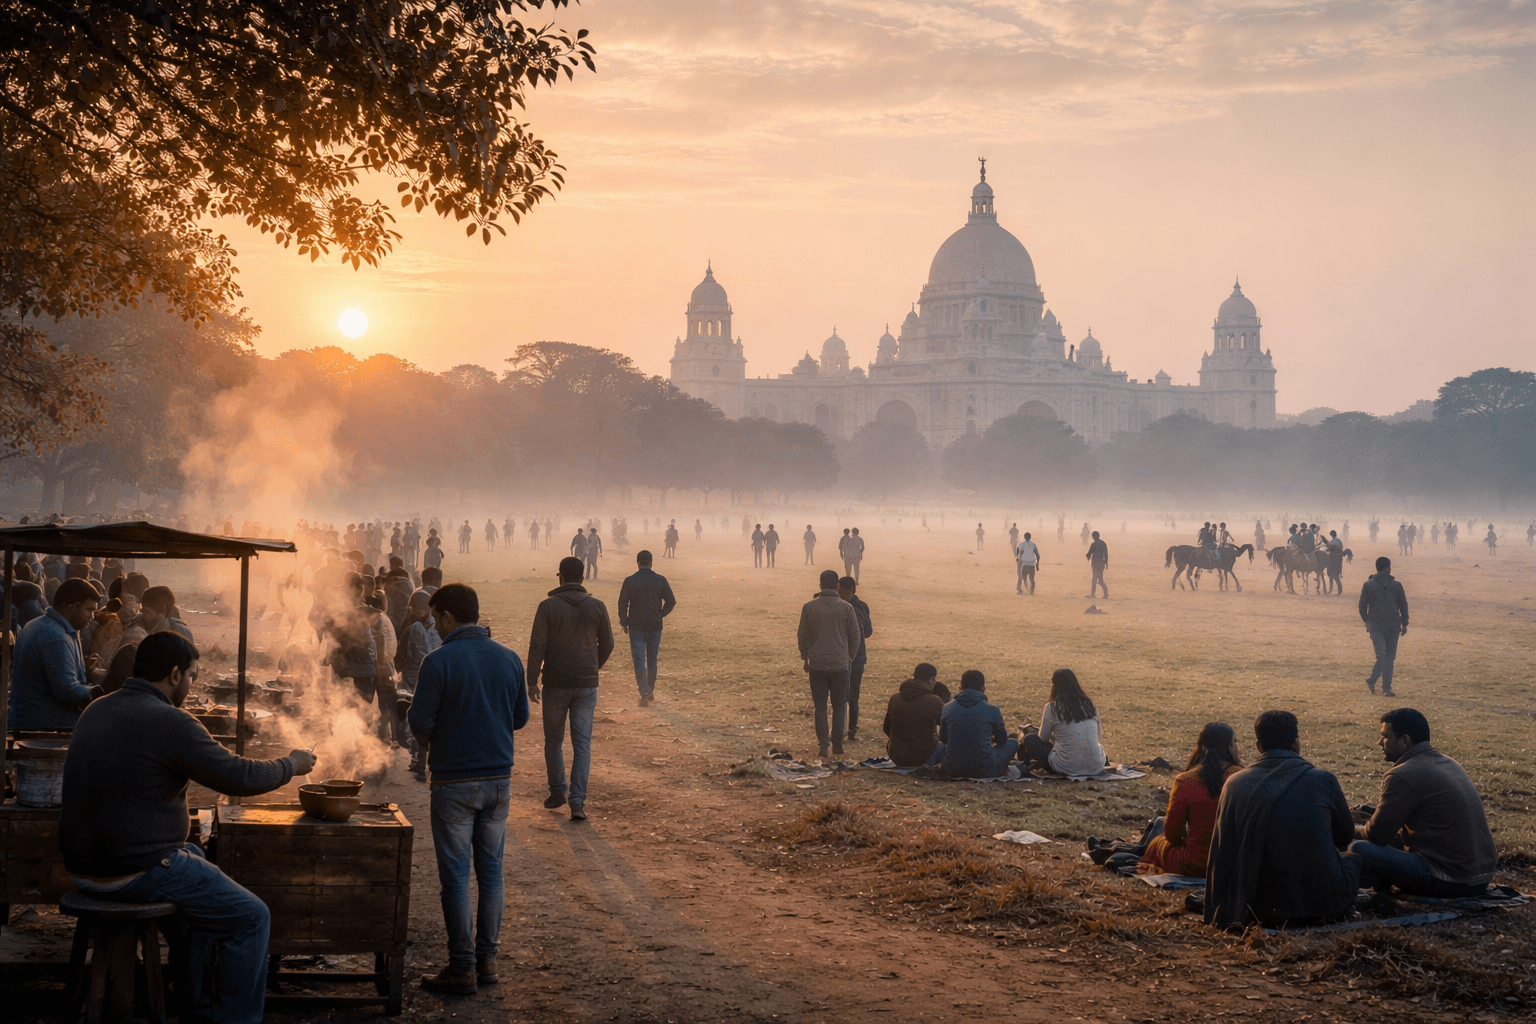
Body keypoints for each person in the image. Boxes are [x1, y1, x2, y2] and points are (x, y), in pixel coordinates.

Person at [60, 632, 317, 1024]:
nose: (192, 684)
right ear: (175, 673)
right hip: (133, 868)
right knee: (252, 918)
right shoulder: (170, 721)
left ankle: (195, 1004)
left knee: (196, 859)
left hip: (80, 864)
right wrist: (290, 765)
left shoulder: (97, 708)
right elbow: (239, 776)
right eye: (193, 676)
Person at [407, 584, 529, 995]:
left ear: (446, 617)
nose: (433, 625)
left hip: (453, 783)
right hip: (498, 781)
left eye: (434, 617)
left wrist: (441, 731)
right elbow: (520, 718)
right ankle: (487, 961)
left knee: (457, 877)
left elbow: (420, 724)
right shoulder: (509, 658)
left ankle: (461, 968)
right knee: (491, 873)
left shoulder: (437, 662)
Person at [1205, 710, 1358, 930]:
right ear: (1296, 744)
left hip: (1255, 908)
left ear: (1258, 746)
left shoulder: (1234, 783)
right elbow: (1344, 837)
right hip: (1321, 907)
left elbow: (1222, 849)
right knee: (1356, 857)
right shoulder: (1323, 779)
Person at [1343, 708, 1497, 898]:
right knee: (1386, 838)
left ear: (1405, 740)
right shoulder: (1449, 763)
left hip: (1452, 880)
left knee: (1358, 848)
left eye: (1384, 737)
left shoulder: (1402, 773)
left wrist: (1345, 827)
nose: (1379, 743)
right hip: (1479, 878)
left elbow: (1376, 835)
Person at [527, 557, 614, 821]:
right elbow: (608, 644)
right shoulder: (597, 606)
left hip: (555, 682)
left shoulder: (548, 607)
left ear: (560, 577)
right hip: (586, 684)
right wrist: (591, 666)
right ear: (583, 578)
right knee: (582, 744)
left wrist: (531, 681)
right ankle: (577, 802)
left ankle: (557, 792)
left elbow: (537, 646)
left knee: (554, 741)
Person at [1138, 723, 1243, 877]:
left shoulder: (1185, 780)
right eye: (1235, 742)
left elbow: (1172, 835)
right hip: (1233, 866)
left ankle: (1132, 850)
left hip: (1195, 866)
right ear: (1228, 747)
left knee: (1156, 843)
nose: (1237, 747)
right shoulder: (1243, 777)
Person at [8, 577, 101, 730]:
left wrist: (86, 672)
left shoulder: (37, 624)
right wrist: (99, 691)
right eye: (89, 610)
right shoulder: (57, 637)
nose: (92, 617)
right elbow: (67, 690)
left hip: (24, 717)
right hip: (45, 722)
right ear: (71, 606)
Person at [796, 569, 862, 759]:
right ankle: (838, 744)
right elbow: (855, 635)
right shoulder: (846, 608)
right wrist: (849, 657)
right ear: (837, 586)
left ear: (820, 585)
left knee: (821, 707)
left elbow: (802, 636)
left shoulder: (809, 607)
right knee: (839, 706)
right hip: (840, 664)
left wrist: (805, 657)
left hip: (817, 663)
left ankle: (824, 745)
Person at [928, 670, 1017, 778]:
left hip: (952, 768)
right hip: (985, 769)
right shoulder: (993, 709)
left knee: (940, 746)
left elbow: (944, 739)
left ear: (960, 687)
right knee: (1013, 743)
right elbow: (1002, 741)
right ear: (983, 688)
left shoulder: (947, 708)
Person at [616, 550, 676, 707]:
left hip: (636, 625)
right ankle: (650, 689)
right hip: (655, 625)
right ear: (651, 562)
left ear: (638, 563)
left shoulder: (630, 580)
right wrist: (661, 614)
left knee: (638, 659)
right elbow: (671, 601)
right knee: (652, 658)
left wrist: (624, 621)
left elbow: (622, 602)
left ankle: (644, 691)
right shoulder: (660, 579)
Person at [1020, 668, 1105, 776]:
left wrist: (1054, 736)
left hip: (1065, 767)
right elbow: (1098, 736)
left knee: (1030, 739)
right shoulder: (1090, 704)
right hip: (1096, 766)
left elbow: (1043, 737)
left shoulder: (1052, 707)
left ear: (1054, 686)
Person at [398, 588, 443, 771]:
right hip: (437, 680)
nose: (411, 612)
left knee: (413, 719)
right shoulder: (441, 627)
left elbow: (401, 659)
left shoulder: (410, 630)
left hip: (413, 681)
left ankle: (417, 757)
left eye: (413, 609)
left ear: (422, 610)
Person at [881, 663, 947, 767]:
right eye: (934, 680)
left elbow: (886, 728)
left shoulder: (894, 698)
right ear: (931, 679)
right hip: (923, 757)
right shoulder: (934, 700)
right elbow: (948, 727)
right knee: (947, 747)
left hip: (896, 755)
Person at [1360, 555, 1408, 696]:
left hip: (1376, 625)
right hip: (1393, 625)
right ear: (1388, 568)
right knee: (1388, 657)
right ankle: (1384, 687)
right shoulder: (1397, 585)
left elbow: (1362, 606)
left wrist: (1366, 620)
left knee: (1383, 656)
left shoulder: (1368, 585)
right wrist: (1404, 623)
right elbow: (1403, 606)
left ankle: (1379, 684)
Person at [837, 576, 872, 742]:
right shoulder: (862, 606)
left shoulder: (839, 607)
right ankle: (850, 731)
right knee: (853, 696)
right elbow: (869, 632)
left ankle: (842, 730)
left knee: (843, 696)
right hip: (858, 657)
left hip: (844, 657)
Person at [1085, 530, 1109, 598]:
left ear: (1093, 537)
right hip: (1101, 564)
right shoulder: (1103, 543)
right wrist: (1106, 562)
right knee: (1100, 579)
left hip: (1095, 564)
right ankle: (1105, 594)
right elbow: (1106, 554)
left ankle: (1093, 594)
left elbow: (1089, 553)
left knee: (1095, 579)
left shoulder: (1094, 544)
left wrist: (1087, 556)